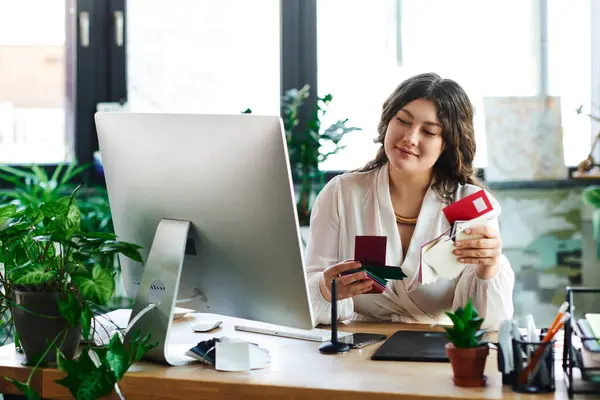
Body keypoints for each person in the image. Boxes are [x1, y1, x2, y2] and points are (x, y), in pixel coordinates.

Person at [304, 72, 514, 330]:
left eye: (429, 131)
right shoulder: (341, 193)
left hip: (439, 350)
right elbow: (304, 303)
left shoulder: (471, 206)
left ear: (447, 144)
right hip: (357, 349)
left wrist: (489, 267)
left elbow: (488, 323)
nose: (410, 138)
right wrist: (326, 289)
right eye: (402, 120)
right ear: (387, 121)